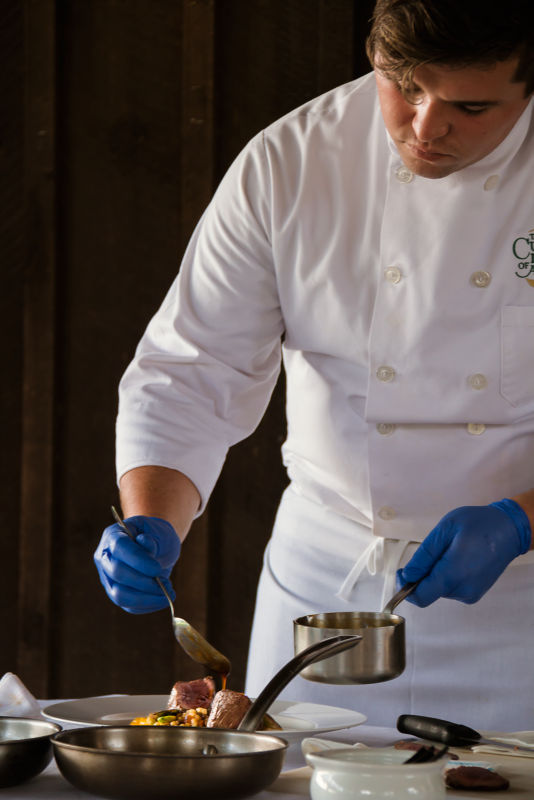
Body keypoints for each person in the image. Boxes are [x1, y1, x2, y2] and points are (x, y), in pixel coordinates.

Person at [95, 0, 534, 729]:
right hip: (324, 586)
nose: (425, 127)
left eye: (470, 106)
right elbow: (192, 368)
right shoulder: (290, 160)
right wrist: (151, 518)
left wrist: (522, 521)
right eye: (404, 86)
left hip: (522, 602)